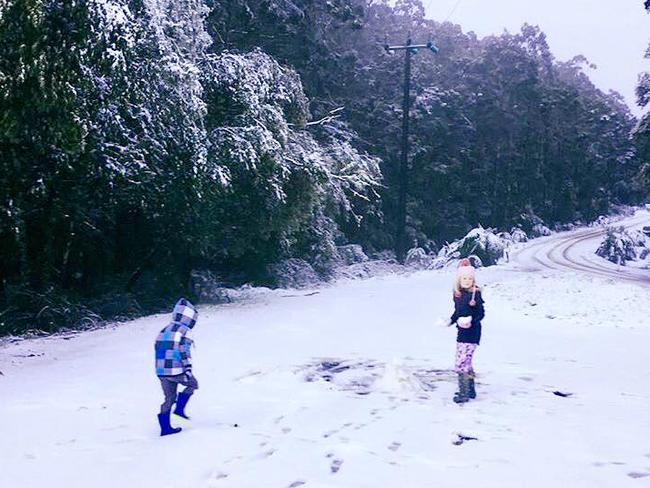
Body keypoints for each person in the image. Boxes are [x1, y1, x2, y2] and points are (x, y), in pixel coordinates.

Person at [154, 298, 199, 436]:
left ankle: (165, 428)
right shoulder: (183, 331)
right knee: (193, 385)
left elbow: (157, 348)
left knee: (169, 397)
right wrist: (188, 369)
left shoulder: (164, 329)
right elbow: (184, 351)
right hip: (177, 370)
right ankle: (179, 409)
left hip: (161, 371)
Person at [448, 258, 485, 404]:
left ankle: (464, 393)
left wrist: (471, 320)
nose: (467, 280)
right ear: (459, 279)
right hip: (461, 334)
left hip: (472, 333)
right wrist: (450, 321)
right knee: (466, 363)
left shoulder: (475, 295)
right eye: (464, 278)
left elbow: (481, 314)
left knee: (461, 362)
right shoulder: (458, 295)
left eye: (470, 278)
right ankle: (471, 390)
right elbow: (457, 312)